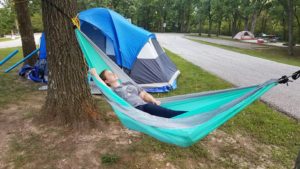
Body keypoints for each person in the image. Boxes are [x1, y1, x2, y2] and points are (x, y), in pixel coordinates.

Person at [90, 68, 186, 118]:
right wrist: (94, 74)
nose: (114, 74)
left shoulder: (128, 83)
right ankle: (188, 116)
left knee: (165, 113)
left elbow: (143, 94)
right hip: (135, 109)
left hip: (145, 105)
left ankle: (186, 116)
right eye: (110, 74)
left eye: (113, 72)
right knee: (167, 114)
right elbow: (102, 86)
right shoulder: (112, 91)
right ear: (107, 81)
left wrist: (154, 100)